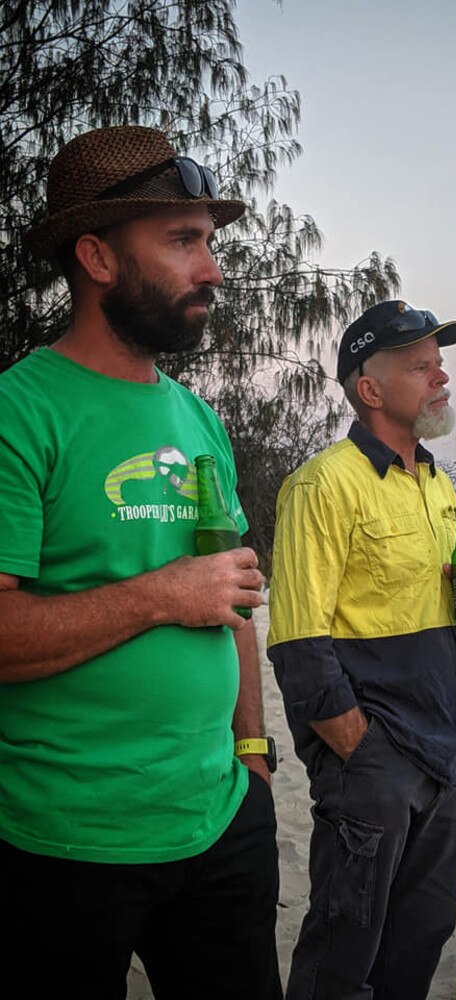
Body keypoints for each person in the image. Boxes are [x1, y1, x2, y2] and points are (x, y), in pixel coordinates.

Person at [0, 125, 283, 1000]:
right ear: (97, 256)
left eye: (211, 241)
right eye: (182, 241)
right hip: (62, 845)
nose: (214, 268)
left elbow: (232, 597)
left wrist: (253, 752)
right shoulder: (20, 410)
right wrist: (162, 595)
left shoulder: (196, 418)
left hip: (221, 818)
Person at [267, 300, 456, 1000]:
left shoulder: (437, 485)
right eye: (421, 366)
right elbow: (298, 639)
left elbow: (442, 614)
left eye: (440, 363)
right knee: (345, 950)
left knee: (419, 942)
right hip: (376, 759)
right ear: (370, 389)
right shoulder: (323, 483)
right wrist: (359, 749)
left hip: (448, 753)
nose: (441, 377)